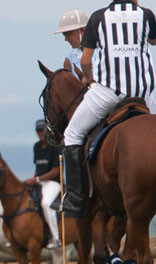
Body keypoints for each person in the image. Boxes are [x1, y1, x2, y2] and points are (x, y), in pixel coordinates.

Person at [62, 0, 156, 218]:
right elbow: (153, 40)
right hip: (144, 93)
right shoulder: (147, 15)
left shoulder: (98, 17)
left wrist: (89, 78)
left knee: (72, 133)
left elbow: (85, 60)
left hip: (109, 93)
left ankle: (76, 199)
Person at [24, 120, 62, 249]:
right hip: (40, 181)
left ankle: (55, 237)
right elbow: (38, 167)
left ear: (47, 131)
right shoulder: (36, 147)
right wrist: (33, 181)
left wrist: (36, 180)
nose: (40, 133)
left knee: (46, 204)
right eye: (38, 130)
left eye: (42, 130)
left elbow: (56, 171)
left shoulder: (54, 147)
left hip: (53, 183)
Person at [54, 9, 89, 76]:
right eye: (64, 35)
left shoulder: (102, 51)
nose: (66, 39)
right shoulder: (71, 57)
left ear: (82, 30)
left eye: (69, 34)